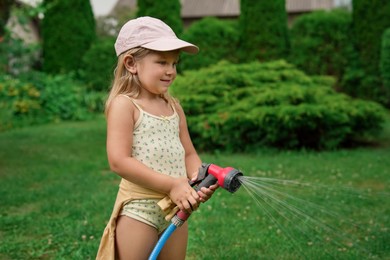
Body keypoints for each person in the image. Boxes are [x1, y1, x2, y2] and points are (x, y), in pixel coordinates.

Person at [96, 16, 218, 260]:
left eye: (174, 63)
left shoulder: (173, 106)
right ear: (131, 63)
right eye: (162, 62)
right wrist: (172, 185)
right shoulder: (125, 105)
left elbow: (189, 153)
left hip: (175, 209)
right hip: (139, 209)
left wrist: (198, 179)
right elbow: (119, 161)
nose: (170, 71)